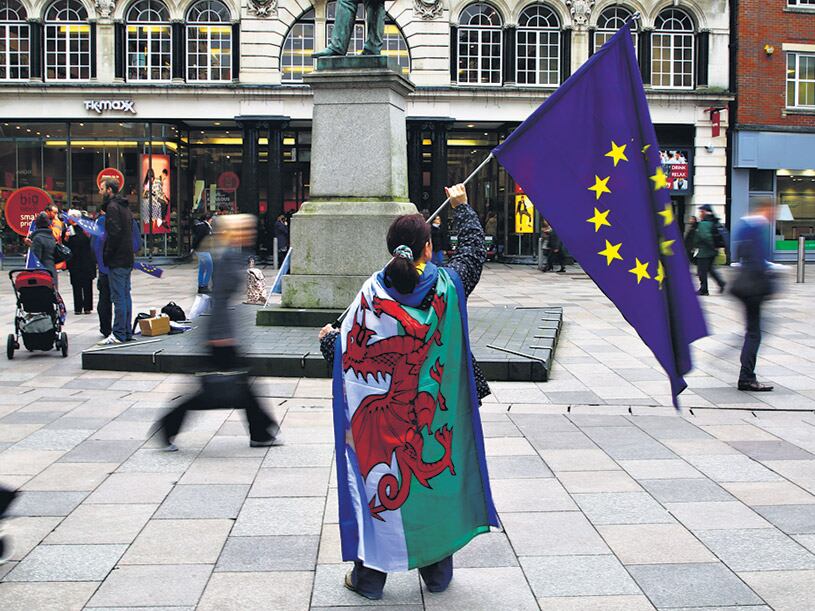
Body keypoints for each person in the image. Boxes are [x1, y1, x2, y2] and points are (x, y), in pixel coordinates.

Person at [317, 184, 497, 601]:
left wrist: (329, 340)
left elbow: (350, 353)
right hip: (431, 417)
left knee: (377, 481)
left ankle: (369, 579)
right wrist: (462, 207)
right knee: (431, 485)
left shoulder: (371, 294)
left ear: (391, 249)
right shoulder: (449, 287)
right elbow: (473, 253)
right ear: (428, 250)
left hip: (383, 421)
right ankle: (436, 574)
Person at [156, 214, 282, 450]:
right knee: (212, 392)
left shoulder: (232, 253)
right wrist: (222, 336)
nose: (250, 233)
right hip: (220, 333)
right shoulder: (226, 256)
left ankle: (261, 432)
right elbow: (221, 299)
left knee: (241, 384)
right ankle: (167, 426)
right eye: (246, 229)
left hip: (223, 330)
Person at [731, 200, 776, 392]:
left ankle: (746, 374)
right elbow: (758, 260)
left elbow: (739, 254)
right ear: (766, 210)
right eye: (771, 211)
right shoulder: (757, 228)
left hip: (744, 287)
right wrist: (771, 270)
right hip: (753, 288)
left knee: (753, 330)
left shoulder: (744, 225)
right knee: (754, 333)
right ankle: (747, 377)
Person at [98, 177, 134, 345]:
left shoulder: (112, 207)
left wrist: (107, 255)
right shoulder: (124, 207)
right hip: (126, 257)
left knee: (118, 297)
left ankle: (119, 333)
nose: (100, 192)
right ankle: (126, 331)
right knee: (125, 295)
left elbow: (114, 233)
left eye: (102, 188)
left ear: (109, 190)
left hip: (118, 258)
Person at [64, 211, 96, 315]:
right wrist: (66, 238)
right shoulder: (68, 229)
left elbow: (91, 242)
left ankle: (87, 307)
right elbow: (65, 246)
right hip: (75, 261)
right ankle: (78, 307)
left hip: (86, 260)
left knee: (87, 285)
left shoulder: (86, 228)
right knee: (76, 285)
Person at [694, 204, 726, 295]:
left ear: (705, 212)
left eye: (701, 211)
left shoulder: (703, 224)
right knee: (710, 269)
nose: (700, 214)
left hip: (705, 251)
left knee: (701, 271)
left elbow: (705, 237)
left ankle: (704, 289)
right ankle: (721, 283)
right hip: (712, 251)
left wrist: (710, 246)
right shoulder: (713, 222)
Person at [29, 212, 58, 285]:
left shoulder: (38, 238)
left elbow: (36, 258)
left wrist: (30, 246)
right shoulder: (51, 237)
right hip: (52, 270)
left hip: (42, 273)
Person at [193, 213, 214, 294]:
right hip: (203, 250)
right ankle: (204, 286)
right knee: (209, 268)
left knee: (202, 269)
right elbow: (198, 238)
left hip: (202, 250)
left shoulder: (203, 226)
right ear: (208, 219)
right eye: (211, 219)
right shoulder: (204, 227)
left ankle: (201, 286)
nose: (212, 220)